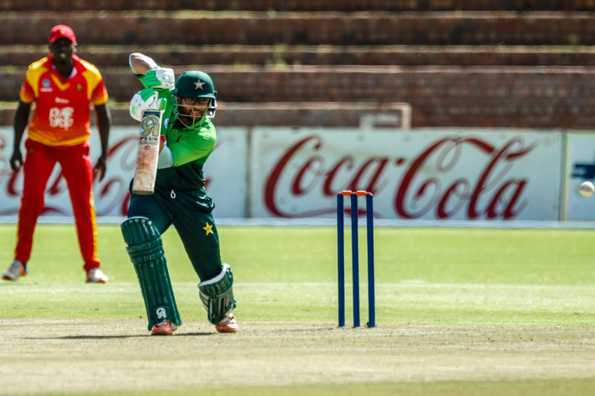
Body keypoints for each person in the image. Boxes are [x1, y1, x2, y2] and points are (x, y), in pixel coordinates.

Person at [120, 53, 238, 335]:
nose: (197, 108)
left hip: (188, 196)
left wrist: (153, 122)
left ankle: (223, 312)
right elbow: (135, 60)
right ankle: (163, 316)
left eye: (203, 102)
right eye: (191, 101)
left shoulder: (205, 136)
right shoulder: (167, 97)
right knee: (140, 231)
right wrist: (157, 78)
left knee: (211, 268)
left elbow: (159, 159)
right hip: (152, 191)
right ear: (179, 97)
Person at [2, 24, 111, 284]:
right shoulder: (36, 72)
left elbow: (103, 115)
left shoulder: (90, 75)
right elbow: (22, 110)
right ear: (50, 48)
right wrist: (16, 146)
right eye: (57, 44)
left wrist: (104, 154)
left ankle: (92, 267)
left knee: (83, 205)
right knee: (30, 202)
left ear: (75, 47)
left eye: (66, 44)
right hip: (41, 145)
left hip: (75, 147)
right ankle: (20, 262)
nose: (62, 48)